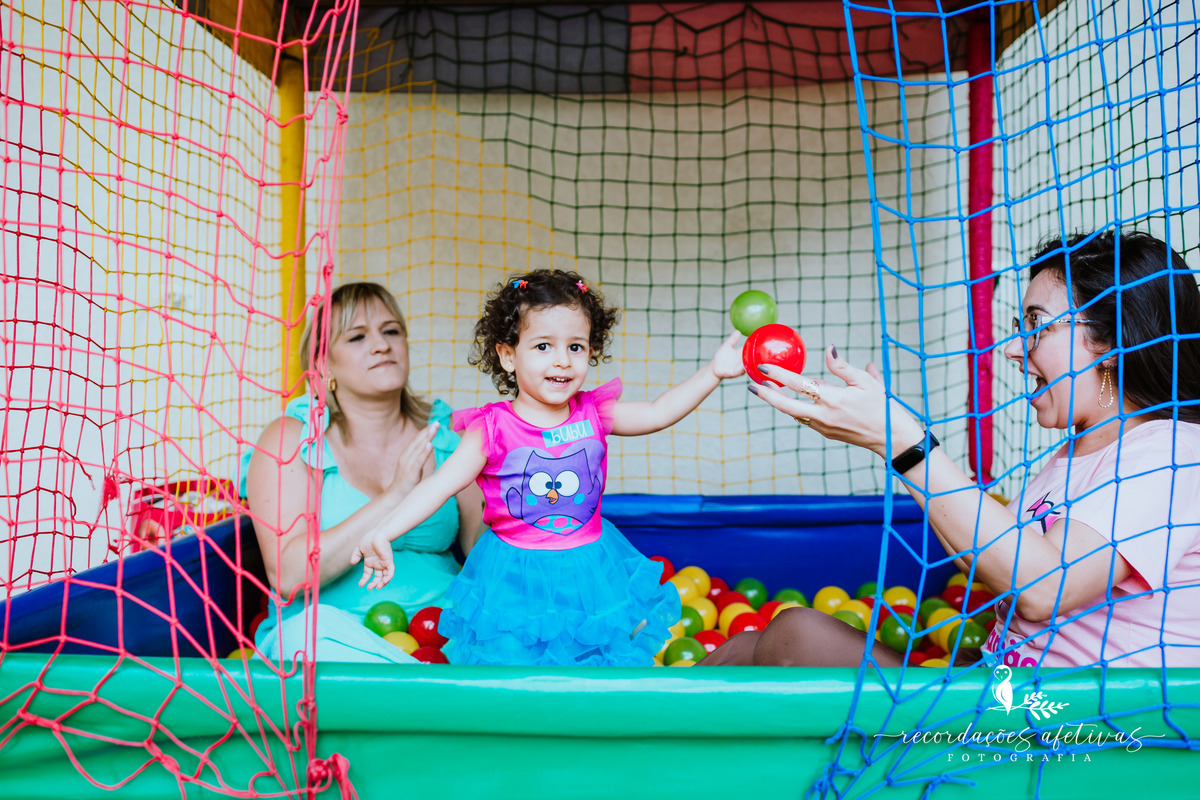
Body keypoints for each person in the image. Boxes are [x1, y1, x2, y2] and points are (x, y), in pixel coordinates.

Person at [700, 228, 1200, 669]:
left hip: (1076, 722)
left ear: (1110, 344)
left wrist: (904, 442)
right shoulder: (1073, 455)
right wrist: (895, 444)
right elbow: (978, 560)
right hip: (1000, 685)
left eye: (1036, 324)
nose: (1012, 348)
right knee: (755, 643)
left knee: (795, 635)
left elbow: (1044, 587)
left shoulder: (1172, 455)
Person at [350, 269, 745, 665]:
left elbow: (659, 413)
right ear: (508, 355)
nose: (562, 360)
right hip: (515, 574)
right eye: (543, 346)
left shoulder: (594, 412)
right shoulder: (492, 428)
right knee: (513, 662)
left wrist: (712, 373)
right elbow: (439, 485)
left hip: (588, 568)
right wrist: (384, 532)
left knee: (593, 657)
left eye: (576, 347)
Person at [241, 282, 486, 665]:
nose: (381, 345)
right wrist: (396, 495)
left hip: (441, 634)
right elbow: (288, 577)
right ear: (323, 364)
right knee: (307, 641)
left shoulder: (448, 435)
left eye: (391, 331)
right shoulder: (292, 438)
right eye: (357, 337)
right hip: (332, 640)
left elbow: (484, 553)